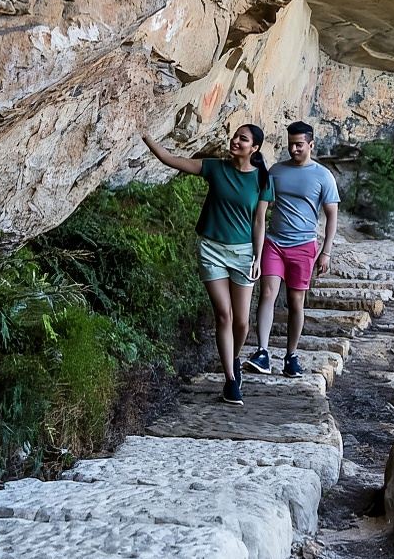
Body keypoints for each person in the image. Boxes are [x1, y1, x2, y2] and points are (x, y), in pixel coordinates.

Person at [141, 124, 273, 405]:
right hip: (211, 250)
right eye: (235, 136)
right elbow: (169, 159)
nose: (235, 141)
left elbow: (259, 222)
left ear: (255, 148)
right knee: (223, 315)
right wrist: (145, 136)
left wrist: (258, 257)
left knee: (242, 322)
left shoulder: (262, 179)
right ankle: (230, 380)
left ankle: (234, 359)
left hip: (243, 254)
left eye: (243, 139)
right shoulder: (215, 168)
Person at [244, 120, 339, 378]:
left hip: (304, 246)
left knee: (297, 301)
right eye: (291, 144)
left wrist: (326, 252)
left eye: (299, 145)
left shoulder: (323, 176)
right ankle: (262, 352)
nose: (294, 149)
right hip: (274, 243)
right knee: (268, 293)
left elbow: (332, 215)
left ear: (311, 145)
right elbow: (261, 203)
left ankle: (291, 356)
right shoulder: (277, 171)